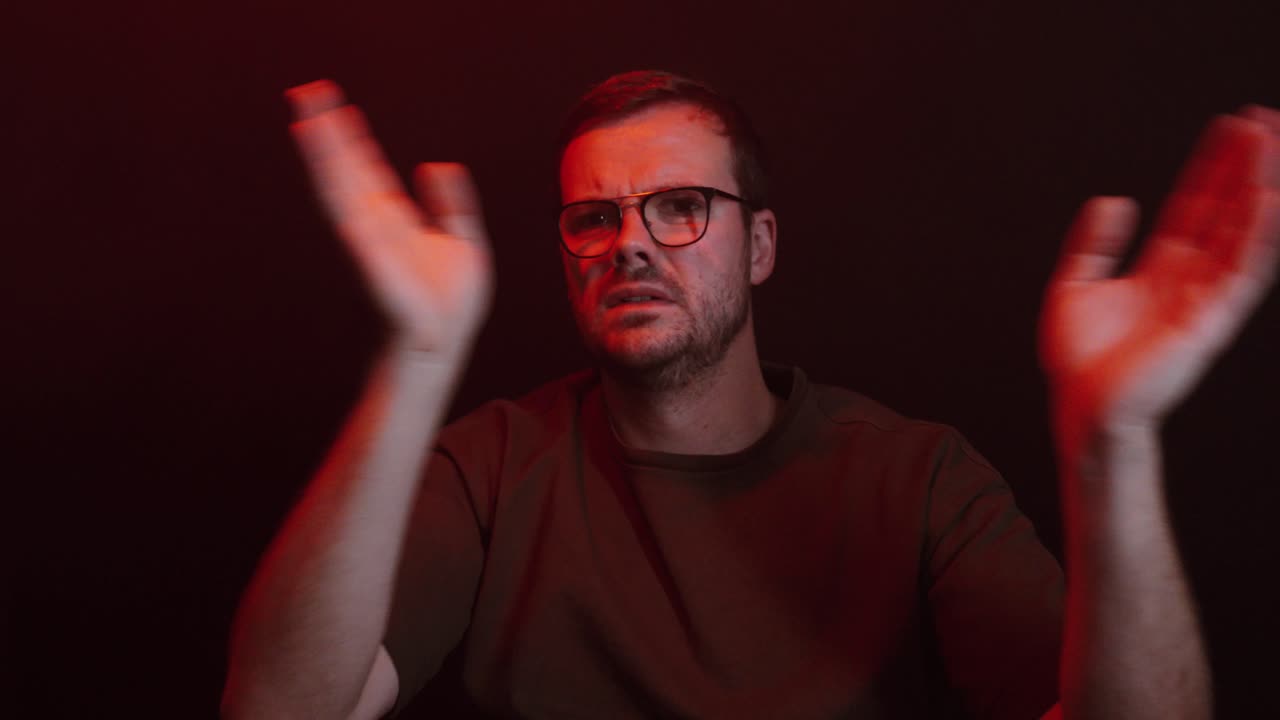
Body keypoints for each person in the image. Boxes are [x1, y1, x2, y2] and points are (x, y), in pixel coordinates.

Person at [220, 71, 1280, 719]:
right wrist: (412, 357)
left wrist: (1115, 444)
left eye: (679, 205)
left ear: (760, 244)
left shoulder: (914, 478)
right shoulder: (491, 468)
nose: (628, 240)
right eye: (593, 217)